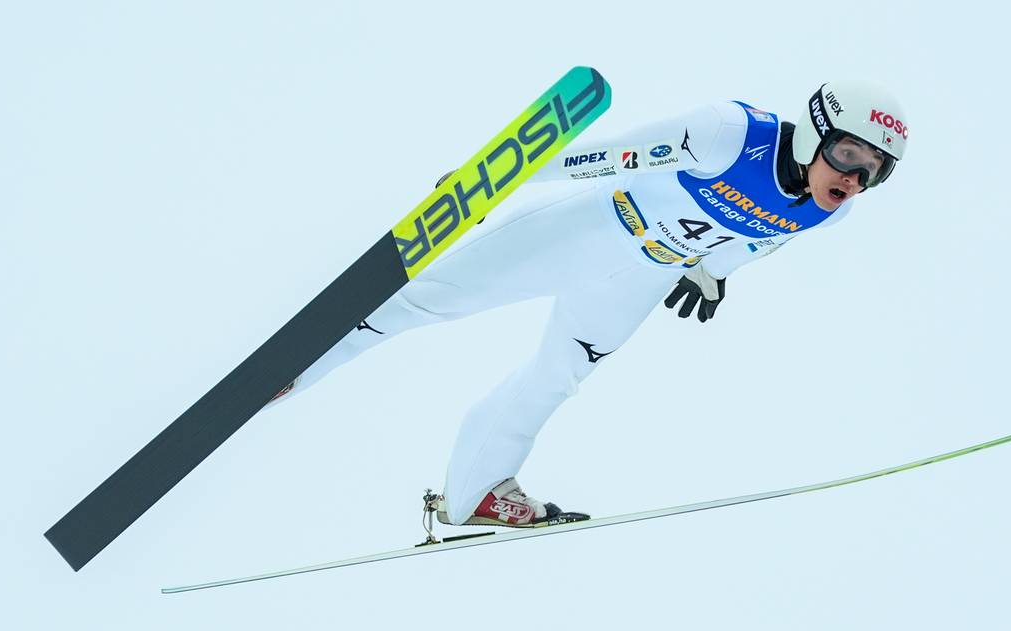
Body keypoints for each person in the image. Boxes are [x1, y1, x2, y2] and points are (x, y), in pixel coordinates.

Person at [267, 80, 910, 528]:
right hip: (588, 230)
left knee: (556, 379)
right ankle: (293, 366)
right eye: (849, 153)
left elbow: (758, 242)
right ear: (817, 131)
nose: (852, 178)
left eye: (873, 171)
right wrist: (495, 179)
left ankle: (476, 493)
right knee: (431, 302)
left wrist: (713, 273)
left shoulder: (829, 215)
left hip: (638, 280)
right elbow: (608, 155)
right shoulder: (729, 135)